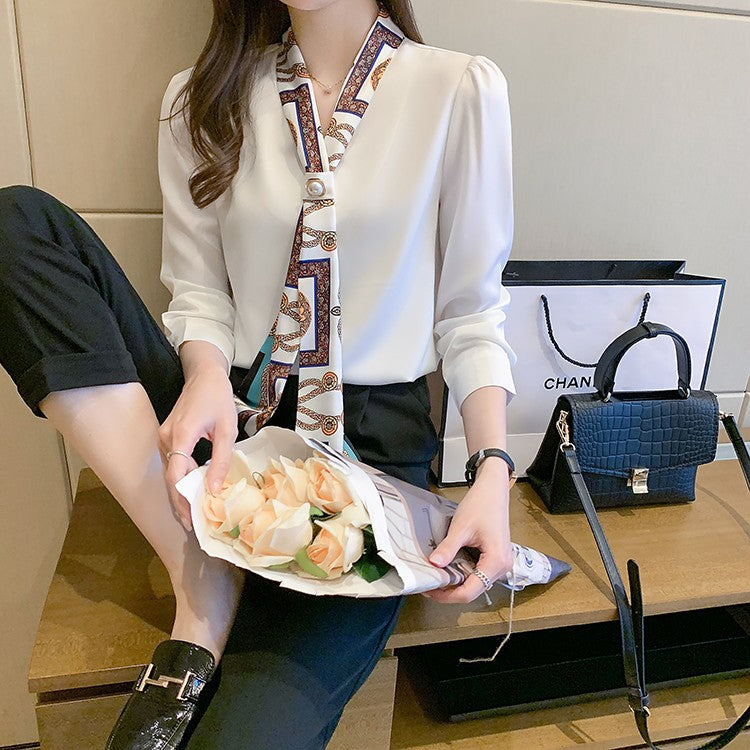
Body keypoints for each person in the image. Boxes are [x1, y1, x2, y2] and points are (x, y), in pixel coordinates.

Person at [0, 0, 516, 747]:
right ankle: (200, 577)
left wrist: (492, 469)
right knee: (15, 228)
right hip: (229, 416)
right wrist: (206, 374)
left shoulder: (459, 90)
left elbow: (472, 314)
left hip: (364, 463)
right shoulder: (202, 99)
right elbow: (199, 293)